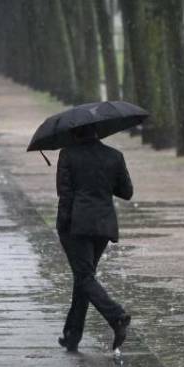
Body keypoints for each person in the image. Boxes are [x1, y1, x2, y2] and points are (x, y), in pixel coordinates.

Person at [55, 125, 133, 353]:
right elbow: (127, 191)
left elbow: (65, 194)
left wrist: (62, 226)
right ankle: (72, 335)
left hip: (77, 226)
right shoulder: (114, 156)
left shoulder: (68, 154)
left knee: (84, 277)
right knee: (84, 277)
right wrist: (104, 180)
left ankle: (117, 316)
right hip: (103, 225)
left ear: (76, 133)